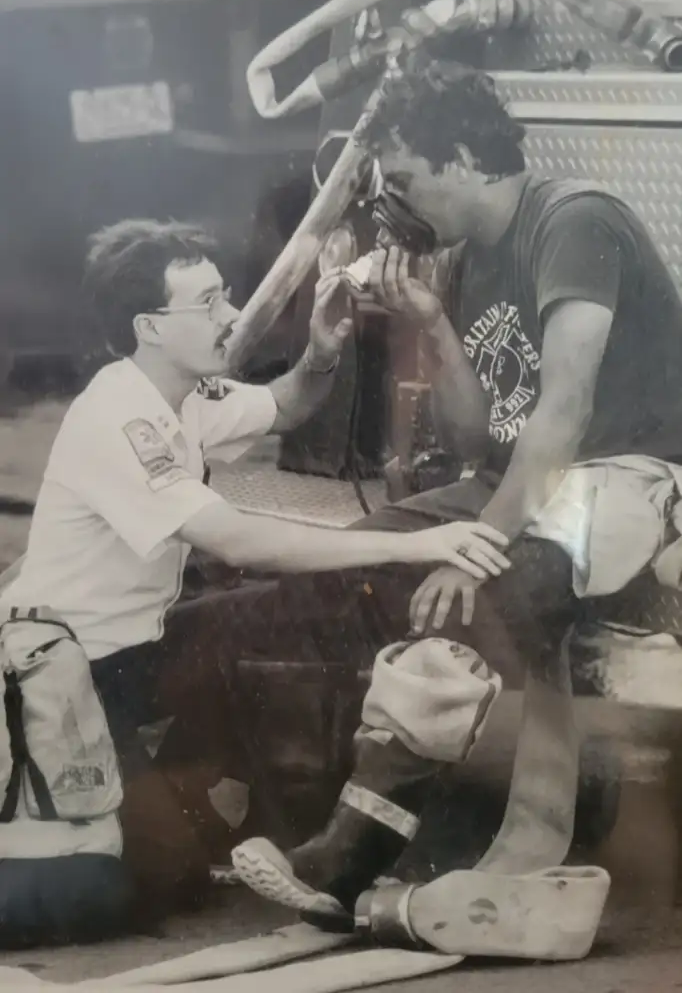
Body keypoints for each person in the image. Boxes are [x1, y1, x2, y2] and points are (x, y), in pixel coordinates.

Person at [231, 63, 682, 924]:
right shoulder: (469, 255)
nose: (393, 204)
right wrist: (430, 324)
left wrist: (479, 549)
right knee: (353, 570)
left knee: (498, 593)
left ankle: (353, 856)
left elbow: (564, 413)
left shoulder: (575, 221)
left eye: (402, 180)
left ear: (467, 156)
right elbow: (486, 441)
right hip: (524, 477)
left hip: (633, 473)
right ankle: (373, 825)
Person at [0, 218, 510, 923]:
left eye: (225, 296)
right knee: (143, 887)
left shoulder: (180, 393)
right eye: (207, 303)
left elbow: (285, 405)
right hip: (69, 675)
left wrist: (322, 351)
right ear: (150, 326)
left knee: (276, 609)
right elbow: (235, 538)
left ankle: (256, 809)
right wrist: (414, 544)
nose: (232, 316)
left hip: (138, 652)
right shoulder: (120, 418)